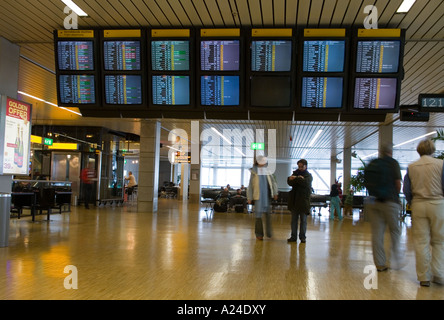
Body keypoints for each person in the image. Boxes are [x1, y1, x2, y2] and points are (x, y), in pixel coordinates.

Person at [403, 139, 444, 287]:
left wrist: (413, 201)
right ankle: (439, 274)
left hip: (419, 204)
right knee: (439, 241)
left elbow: (406, 190)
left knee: (421, 242)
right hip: (438, 204)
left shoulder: (411, 167)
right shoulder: (441, 164)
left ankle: (423, 277)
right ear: (433, 150)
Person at [365, 143, 404, 272]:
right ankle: (395, 258)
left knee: (377, 233)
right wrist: (395, 195)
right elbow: (398, 184)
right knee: (394, 230)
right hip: (390, 201)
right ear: (390, 152)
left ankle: (380, 264)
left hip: (374, 202)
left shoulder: (373, 163)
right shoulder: (393, 163)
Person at [247, 155, 278, 240]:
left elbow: (273, 182)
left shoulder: (268, 171)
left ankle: (269, 232)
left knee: (268, 215)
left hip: (267, 196)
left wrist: (275, 193)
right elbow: (250, 185)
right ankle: (259, 234)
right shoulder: (254, 172)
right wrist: (249, 197)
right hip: (258, 196)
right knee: (258, 216)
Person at [287, 159, 313, 243]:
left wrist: (296, 178)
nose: (300, 168)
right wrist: (298, 178)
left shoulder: (309, 176)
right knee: (293, 221)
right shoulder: (295, 173)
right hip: (294, 202)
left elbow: (305, 183)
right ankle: (293, 237)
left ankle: (302, 237)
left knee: (303, 221)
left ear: (306, 166)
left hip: (304, 202)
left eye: (302, 166)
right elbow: (289, 182)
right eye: (299, 166)